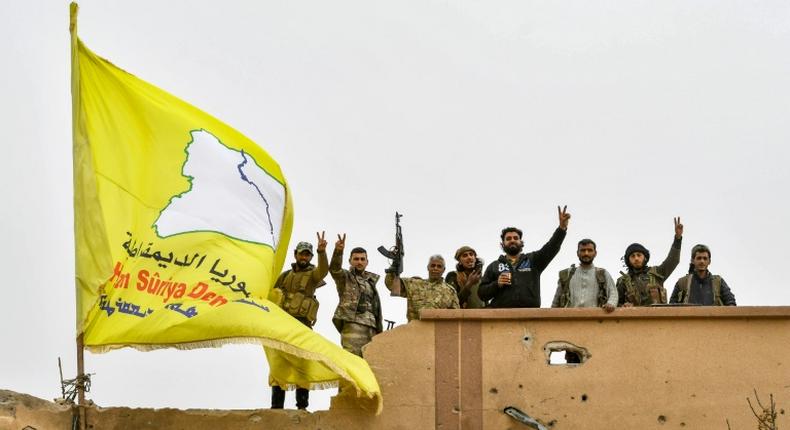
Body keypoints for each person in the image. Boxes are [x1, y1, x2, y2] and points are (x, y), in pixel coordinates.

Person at [268, 232, 329, 410]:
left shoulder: (313, 275)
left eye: (307, 254)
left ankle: (302, 408)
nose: (304, 257)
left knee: (302, 364)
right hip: (283, 325)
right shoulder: (285, 275)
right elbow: (271, 291)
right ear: (295, 254)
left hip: (302, 325)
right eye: (302, 253)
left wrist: (321, 252)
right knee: (279, 364)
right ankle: (276, 408)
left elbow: (323, 270)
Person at [478, 206, 571, 308]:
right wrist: (497, 284)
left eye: (516, 238)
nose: (512, 240)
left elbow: (551, 247)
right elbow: (482, 294)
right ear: (502, 244)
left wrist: (562, 229)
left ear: (521, 242)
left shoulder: (534, 260)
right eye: (508, 238)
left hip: (529, 315)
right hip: (502, 317)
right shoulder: (494, 266)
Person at [329, 234, 383, 357]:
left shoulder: (371, 281)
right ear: (350, 261)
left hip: (372, 327)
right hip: (353, 324)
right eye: (356, 259)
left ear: (367, 262)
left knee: (370, 362)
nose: (359, 262)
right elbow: (334, 269)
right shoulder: (345, 277)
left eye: (362, 259)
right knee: (352, 359)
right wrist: (338, 251)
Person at [617, 218, 683, 307]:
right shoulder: (623, 281)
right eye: (632, 256)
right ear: (628, 260)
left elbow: (673, 260)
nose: (636, 258)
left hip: (657, 318)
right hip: (633, 319)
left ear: (645, 257)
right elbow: (615, 303)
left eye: (639, 255)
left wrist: (677, 239)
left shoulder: (657, 273)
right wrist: (623, 306)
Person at [385, 255, 460, 321]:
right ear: (428, 267)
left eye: (439, 266)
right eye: (433, 265)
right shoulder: (413, 283)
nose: (435, 268)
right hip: (415, 331)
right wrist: (394, 267)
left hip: (438, 332)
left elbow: (456, 315)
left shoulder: (450, 291)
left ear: (444, 270)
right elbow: (391, 284)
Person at [551, 238, 618, 312]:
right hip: (570, 320)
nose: (586, 253)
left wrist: (611, 303)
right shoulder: (567, 274)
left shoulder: (602, 273)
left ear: (595, 253)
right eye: (583, 250)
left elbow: (613, 293)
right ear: (577, 253)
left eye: (589, 250)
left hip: (595, 320)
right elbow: (556, 302)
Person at [669, 244, 736, 306]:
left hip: (712, 318)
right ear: (692, 260)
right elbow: (671, 307)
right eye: (699, 258)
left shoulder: (718, 282)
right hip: (690, 318)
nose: (702, 261)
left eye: (705, 258)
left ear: (709, 261)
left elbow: (731, 302)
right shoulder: (682, 283)